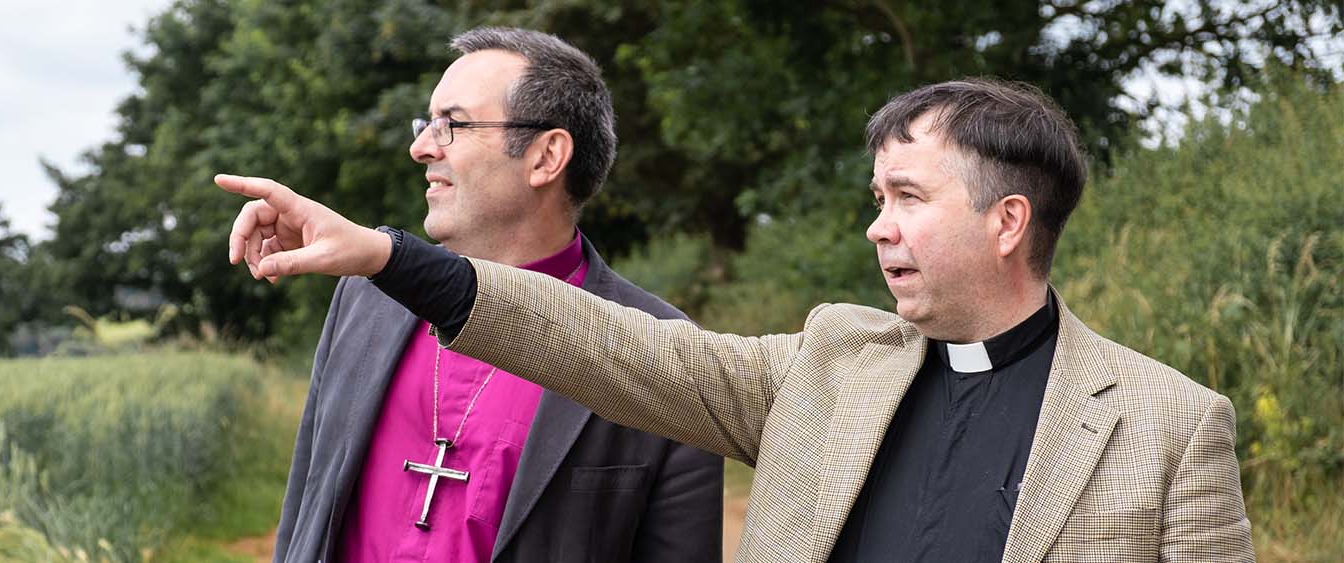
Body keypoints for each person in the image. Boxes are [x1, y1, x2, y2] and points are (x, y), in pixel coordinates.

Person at [216, 78, 1254, 562]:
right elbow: (609, 340)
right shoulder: (831, 364)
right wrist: (395, 256)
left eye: (905, 197)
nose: (875, 225)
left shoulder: (1168, 424)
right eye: (876, 197)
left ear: (1006, 221)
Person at [230, 27, 722, 563]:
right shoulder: (364, 300)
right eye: (427, 124)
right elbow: (305, 512)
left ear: (545, 157)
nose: (420, 148)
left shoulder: (666, 356)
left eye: (453, 125)